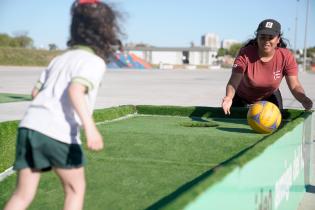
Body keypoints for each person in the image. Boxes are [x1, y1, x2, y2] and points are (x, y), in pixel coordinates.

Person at [4, 0, 122, 209]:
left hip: (30, 126)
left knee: (22, 195)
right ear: (106, 31)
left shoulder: (59, 59)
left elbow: (35, 93)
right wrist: (91, 129)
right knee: (75, 190)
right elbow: (75, 91)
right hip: (59, 133)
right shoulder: (94, 62)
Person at [222, 19, 313, 115]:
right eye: (262, 37)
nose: (266, 41)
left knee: (277, 126)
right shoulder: (245, 53)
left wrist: (303, 99)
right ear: (257, 38)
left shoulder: (286, 56)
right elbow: (233, 82)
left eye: (270, 37)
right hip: (241, 97)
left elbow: (294, 86)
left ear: (278, 39)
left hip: (270, 97)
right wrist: (228, 97)